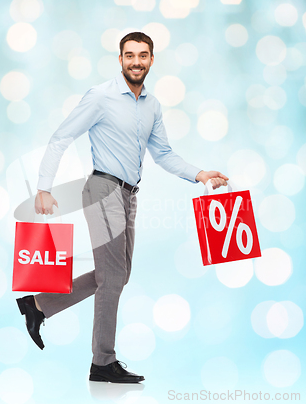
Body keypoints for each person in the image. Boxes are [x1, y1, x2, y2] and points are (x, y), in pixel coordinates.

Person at [16, 32, 229, 383]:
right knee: (113, 277)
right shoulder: (100, 97)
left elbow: (163, 154)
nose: (136, 61)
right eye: (129, 55)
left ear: (151, 60)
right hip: (102, 189)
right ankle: (102, 362)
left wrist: (199, 174)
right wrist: (43, 187)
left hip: (129, 195)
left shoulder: (152, 106)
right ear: (120, 59)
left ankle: (38, 305)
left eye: (143, 55)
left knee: (116, 275)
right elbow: (61, 137)